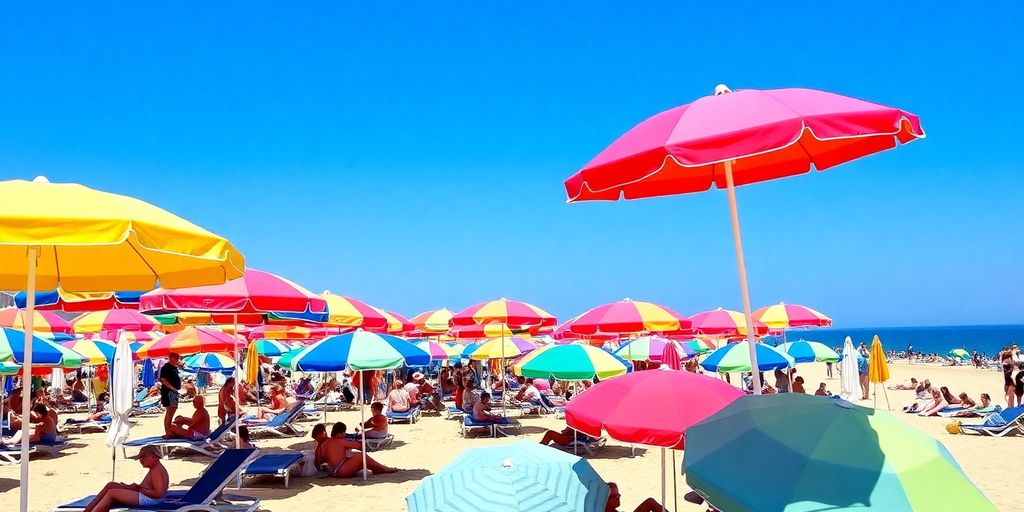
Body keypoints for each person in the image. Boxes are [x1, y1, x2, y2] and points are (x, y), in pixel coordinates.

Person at [82, 445, 168, 512]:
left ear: (154, 456)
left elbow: (158, 494)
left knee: (112, 493)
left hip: (150, 500)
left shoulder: (156, 471)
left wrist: (139, 489)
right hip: (145, 495)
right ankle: (88, 510)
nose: (141, 460)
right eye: (139, 458)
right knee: (111, 485)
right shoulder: (155, 468)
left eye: (143, 457)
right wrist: (135, 488)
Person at [320, 422, 398, 478]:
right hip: (341, 470)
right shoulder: (340, 441)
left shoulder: (326, 442)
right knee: (360, 456)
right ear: (342, 432)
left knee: (360, 461)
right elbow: (360, 446)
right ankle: (382, 468)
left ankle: (378, 468)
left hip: (331, 470)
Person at [159, 353, 183, 437]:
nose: (177, 359)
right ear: (170, 358)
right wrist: (172, 388)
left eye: (177, 358)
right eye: (175, 358)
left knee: (173, 410)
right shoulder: (165, 368)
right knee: (170, 411)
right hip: (169, 392)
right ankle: (168, 432)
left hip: (174, 391)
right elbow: (163, 380)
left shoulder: (174, 368)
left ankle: (169, 431)